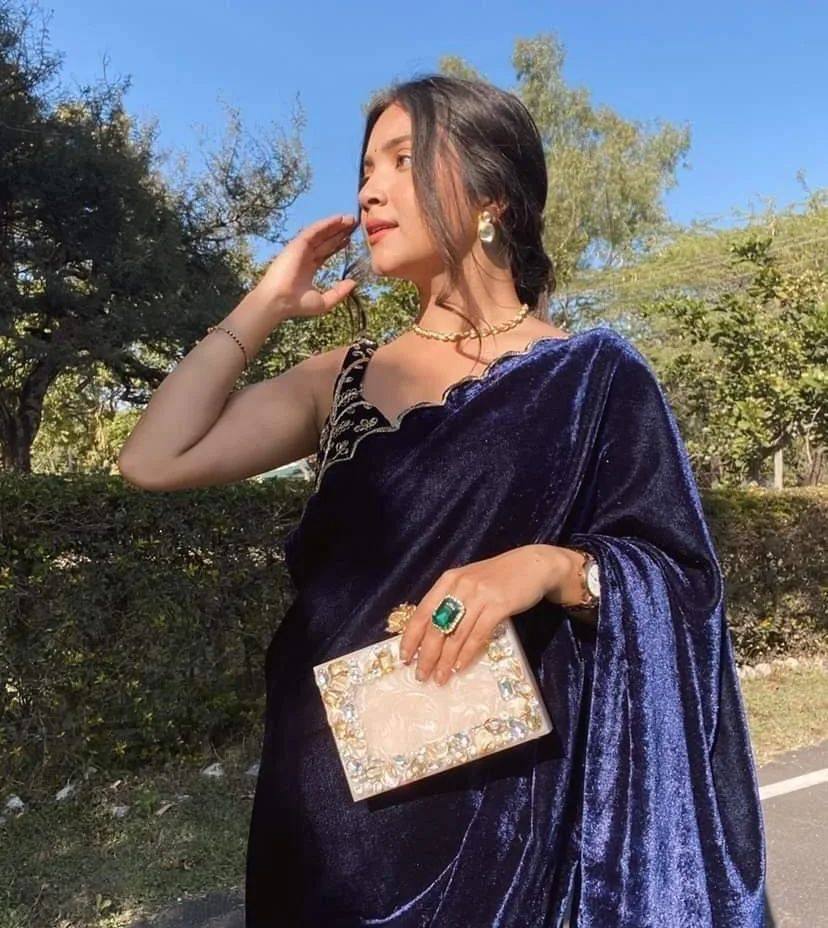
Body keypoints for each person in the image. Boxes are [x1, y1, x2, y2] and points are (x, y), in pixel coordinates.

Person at [119, 75, 766, 927]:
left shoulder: (594, 377)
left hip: (508, 814)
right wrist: (268, 301)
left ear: (493, 194)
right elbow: (153, 458)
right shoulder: (340, 379)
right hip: (325, 804)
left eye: (402, 159)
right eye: (365, 169)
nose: (369, 190)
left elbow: (683, 587)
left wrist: (543, 568)